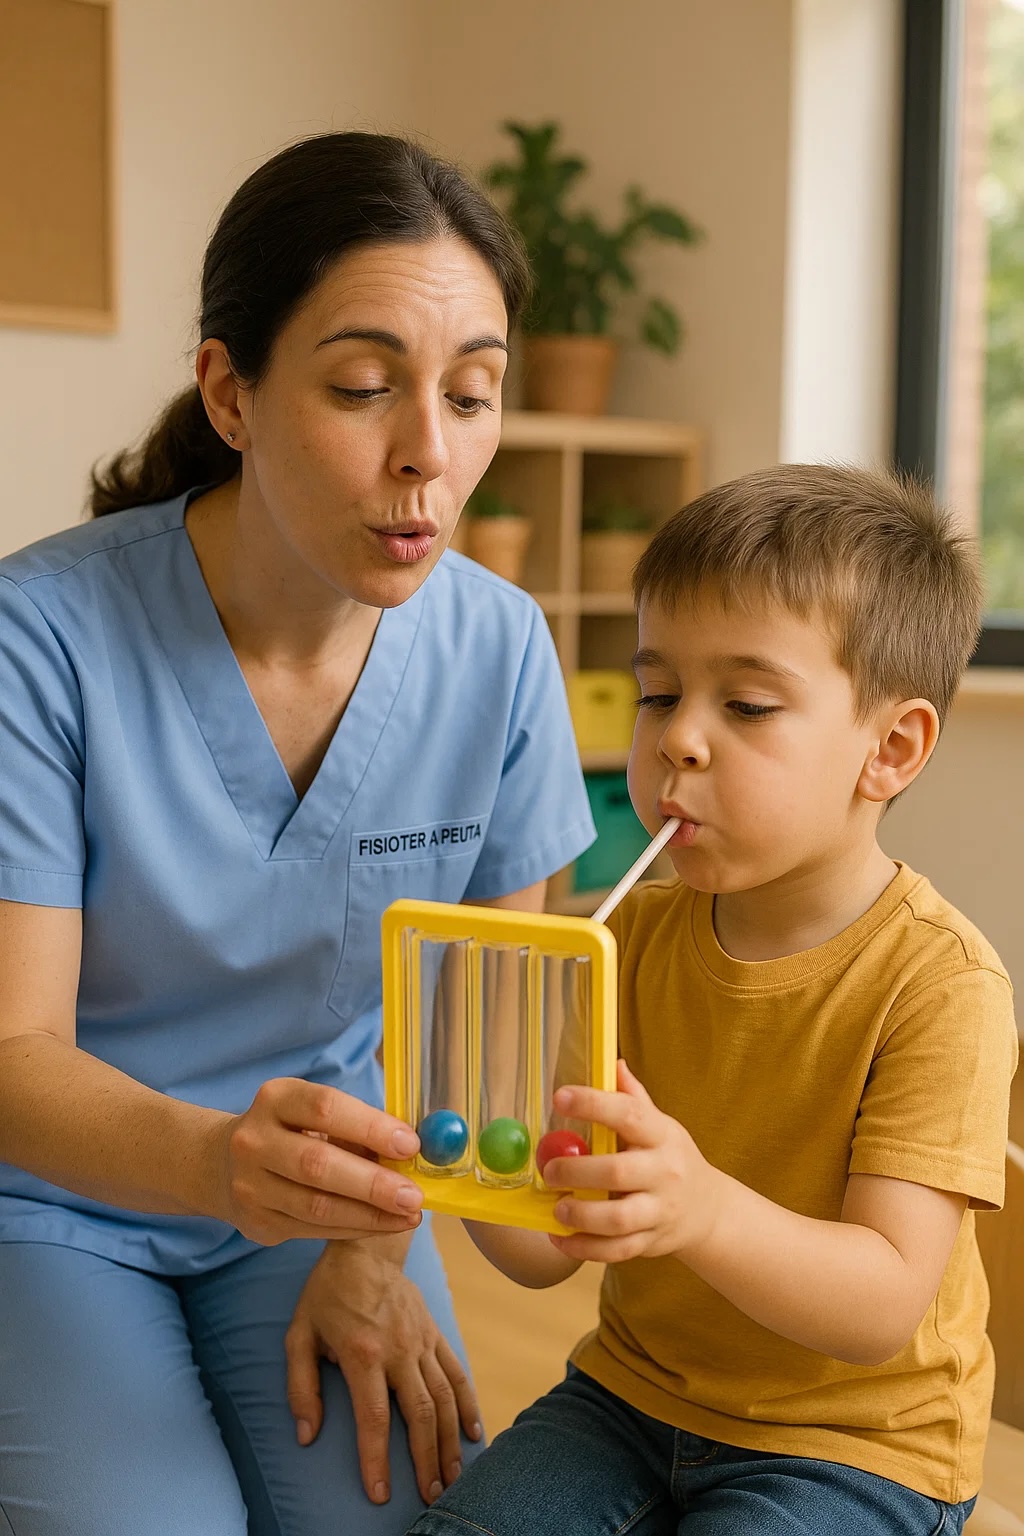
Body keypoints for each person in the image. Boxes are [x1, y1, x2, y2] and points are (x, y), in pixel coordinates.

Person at [0, 132, 595, 1536]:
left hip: (343, 1197)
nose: (430, 458)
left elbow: (493, 1063)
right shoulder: (40, 639)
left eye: (471, 395)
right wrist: (222, 1166)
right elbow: (12, 1053)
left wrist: (394, 1238)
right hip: (56, 1201)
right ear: (231, 392)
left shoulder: (501, 651)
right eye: (363, 388)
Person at [406, 463, 1019, 1536]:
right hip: (633, 1397)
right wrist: (463, 1160)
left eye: (743, 704)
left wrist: (697, 1208)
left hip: (855, 1443)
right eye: (657, 693)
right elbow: (549, 1253)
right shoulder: (627, 936)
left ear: (890, 749)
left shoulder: (941, 985)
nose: (678, 737)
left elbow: (879, 1306)